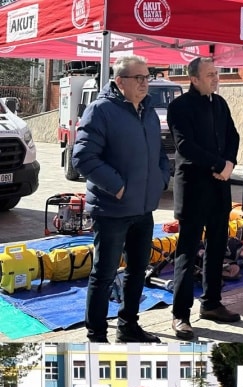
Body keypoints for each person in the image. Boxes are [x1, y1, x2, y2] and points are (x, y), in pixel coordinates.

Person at [73, 55, 169, 343]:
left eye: (147, 77)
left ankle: (129, 326)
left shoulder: (149, 112)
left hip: (143, 208)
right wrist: (118, 188)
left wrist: (160, 181)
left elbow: (160, 155)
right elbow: (83, 157)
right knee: (104, 274)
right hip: (112, 209)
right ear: (119, 82)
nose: (144, 83)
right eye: (138, 78)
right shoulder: (100, 110)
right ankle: (97, 335)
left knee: (138, 270)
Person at [167, 57, 242, 339]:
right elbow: (185, 145)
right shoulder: (180, 107)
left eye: (217, 74)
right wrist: (217, 165)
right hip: (194, 187)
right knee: (188, 250)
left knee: (217, 246)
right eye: (210, 75)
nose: (216, 78)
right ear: (194, 78)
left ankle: (211, 303)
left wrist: (230, 164)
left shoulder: (219, 103)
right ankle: (180, 314)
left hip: (219, 187)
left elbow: (233, 136)